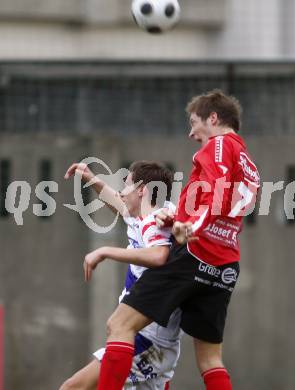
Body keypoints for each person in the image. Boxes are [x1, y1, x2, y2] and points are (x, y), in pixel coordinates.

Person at [96, 90, 261, 390]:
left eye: (194, 122)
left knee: (119, 325)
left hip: (195, 254)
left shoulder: (220, 145)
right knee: (211, 360)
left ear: (213, 118)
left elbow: (218, 191)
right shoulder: (250, 164)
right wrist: (178, 219)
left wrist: (188, 226)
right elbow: (225, 209)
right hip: (224, 265)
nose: (191, 132)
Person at [59, 161, 181, 390]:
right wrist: (89, 177)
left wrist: (105, 251)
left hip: (147, 339)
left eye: (126, 186)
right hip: (151, 338)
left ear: (142, 190)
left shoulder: (154, 222)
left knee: (72, 388)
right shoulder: (142, 214)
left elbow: (158, 255)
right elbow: (118, 203)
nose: (122, 193)